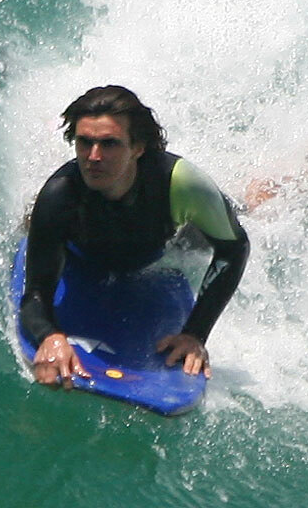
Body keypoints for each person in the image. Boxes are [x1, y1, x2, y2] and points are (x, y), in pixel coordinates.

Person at [20, 85, 250, 388]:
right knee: (31, 218)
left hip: (169, 237)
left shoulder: (180, 183)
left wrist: (195, 334)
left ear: (138, 147)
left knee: (247, 208)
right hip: (82, 250)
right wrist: (49, 336)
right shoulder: (60, 196)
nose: (93, 157)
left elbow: (235, 248)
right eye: (84, 142)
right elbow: (35, 294)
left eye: (109, 144)